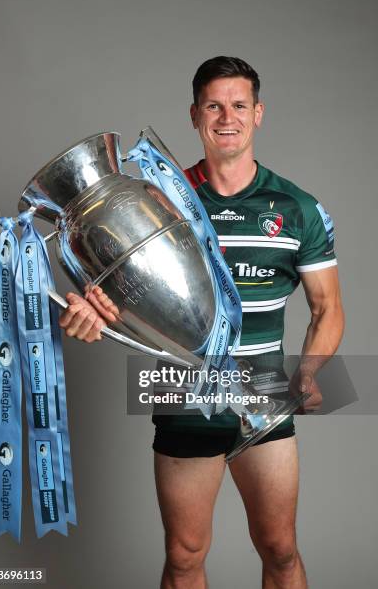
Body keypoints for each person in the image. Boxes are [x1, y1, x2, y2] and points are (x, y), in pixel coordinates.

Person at [59, 57, 345, 589]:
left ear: (258, 114)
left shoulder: (299, 208)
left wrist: (307, 374)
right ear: (195, 115)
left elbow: (328, 309)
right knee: (185, 555)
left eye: (239, 105)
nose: (226, 117)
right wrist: (93, 316)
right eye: (214, 105)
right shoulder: (153, 202)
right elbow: (122, 298)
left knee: (280, 550)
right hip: (184, 394)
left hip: (264, 395)